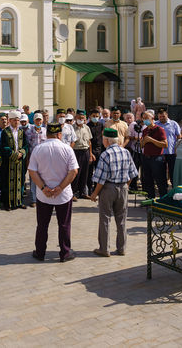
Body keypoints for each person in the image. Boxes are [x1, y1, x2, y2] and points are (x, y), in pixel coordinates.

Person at [27, 123, 79, 263]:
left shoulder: (38, 149)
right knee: (64, 225)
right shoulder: (67, 149)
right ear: (59, 134)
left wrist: (44, 188)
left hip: (44, 195)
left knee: (42, 225)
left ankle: (40, 252)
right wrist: (60, 187)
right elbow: (73, 171)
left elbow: (32, 171)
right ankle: (65, 252)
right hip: (63, 194)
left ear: (46, 134)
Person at [89, 128, 138, 257]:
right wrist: (125, 186)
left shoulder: (106, 154)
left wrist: (94, 193)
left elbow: (101, 178)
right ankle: (121, 248)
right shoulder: (125, 152)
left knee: (105, 219)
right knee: (121, 219)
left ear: (106, 140)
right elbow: (133, 173)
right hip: (122, 188)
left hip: (108, 188)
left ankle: (104, 249)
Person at [0, 110, 29, 210]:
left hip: (20, 161)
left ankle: (19, 201)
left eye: (18, 120)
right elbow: (4, 147)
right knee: (8, 182)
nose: (16, 122)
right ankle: (8, 203)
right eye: (14, 120)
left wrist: (22, 153)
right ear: (10, 120)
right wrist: (14, 154)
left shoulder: (21, 132)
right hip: (9, 161)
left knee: (20, 181)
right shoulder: (5, 132)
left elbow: (26, 145)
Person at [139, 111, 168, 199]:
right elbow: (142, 145)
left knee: (160, 180)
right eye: (143, 118)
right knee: (148, 180)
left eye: (147, 118)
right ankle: (150, 198)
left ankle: (163, 200)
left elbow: (165, 144)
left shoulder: (159, 129)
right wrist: (142, 142)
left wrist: (152, 140)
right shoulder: (145, 130)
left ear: (152, 119)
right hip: (146, 157)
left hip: (157, 158)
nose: (145, 120)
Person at [71, 109, 94, 200]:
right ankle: (73, 193)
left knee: (85, 173)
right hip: (76, 152)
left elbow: (89, 142)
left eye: (83, 118)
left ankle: (83, 192)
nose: (81, 119)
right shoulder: (71, 128)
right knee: (76, 174)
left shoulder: (86, 128)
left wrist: (91, 154)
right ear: (76, 117)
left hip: (85, 152)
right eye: (79, 117)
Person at [25, 113, 46, 207]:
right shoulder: (29, 132)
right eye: (37, 120)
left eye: (40, 120)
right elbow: (27, 147)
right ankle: (34, 199)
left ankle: (43, 198)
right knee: (33, 179)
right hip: (33, 159)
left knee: (43, 178)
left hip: (44, 159)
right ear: (34, 121)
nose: (39, 121)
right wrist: (28, 160)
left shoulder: (45, 131)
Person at [156, 108, 180, 185]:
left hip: (172, 151)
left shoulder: (174, 124)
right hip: (160, 152)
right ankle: (163, 188)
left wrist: (177, 149)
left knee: (172, 171)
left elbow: (179, 136)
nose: (162, 118)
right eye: (160, 117)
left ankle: (174, 186)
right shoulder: (155, 124)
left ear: (167, 115)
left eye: (163, 116)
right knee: (161, 172)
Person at [87, 109, 104, 198]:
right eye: (93, 116)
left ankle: (96, 189)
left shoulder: (101, 125)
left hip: (100, 151)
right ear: (90, 116)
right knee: (90, 172)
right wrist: (90, 154)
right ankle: (89, 190)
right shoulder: (87, 126)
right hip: (91, 151)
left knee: (99, 172)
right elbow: (88, 141)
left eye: (97, 116)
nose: (95, 118)